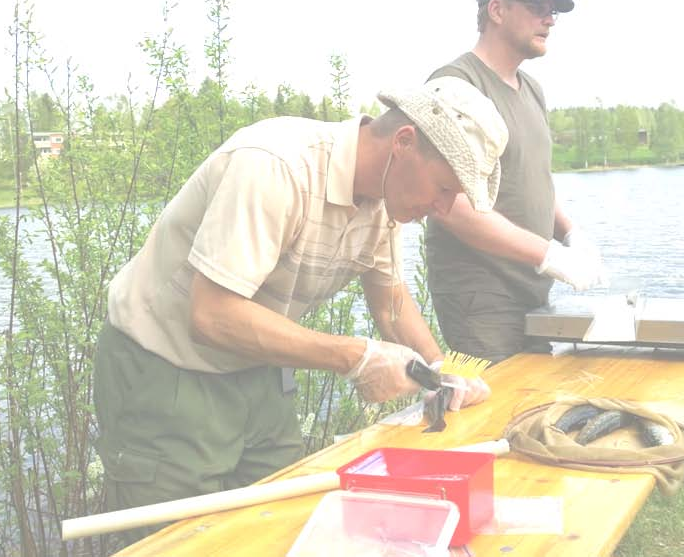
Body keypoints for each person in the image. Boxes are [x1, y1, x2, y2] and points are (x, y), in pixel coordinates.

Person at [92, 77, 507, 541]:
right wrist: (358, 357)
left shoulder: (386, 199)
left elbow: (390, 302)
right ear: (403, 143)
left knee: (283, 526)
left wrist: (439, 372)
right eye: (445, 187)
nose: (445, 208)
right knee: (182, 543)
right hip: (163, 369)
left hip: (258, 368)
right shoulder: (274, 166)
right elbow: (212, 315)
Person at [426, 0, 607, 364]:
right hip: (481, 298)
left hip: (533, 291)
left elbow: (532, 179)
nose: (550, 20)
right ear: (496, 10)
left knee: (535, 409)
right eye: (537, 7)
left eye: (553, 11)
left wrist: (571, 234)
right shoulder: (457, 86)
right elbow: (447, 204)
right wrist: (548, 255)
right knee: (492, 416)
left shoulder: (532, 90)